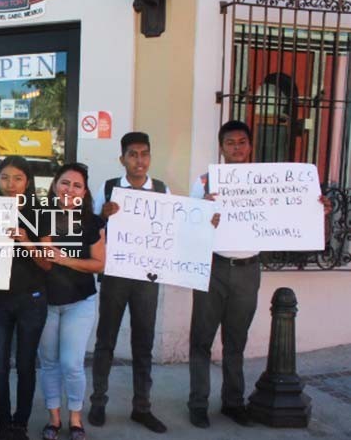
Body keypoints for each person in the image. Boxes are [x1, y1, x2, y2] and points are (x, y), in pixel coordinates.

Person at [187, 120, 331, 428]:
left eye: (241, 142)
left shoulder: (267, 181)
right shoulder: (204, 182)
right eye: (230, 142)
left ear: (249, 146)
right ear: (221, 147)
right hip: (212, 267)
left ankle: (232, 402)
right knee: (201, 339)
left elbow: (293, 211)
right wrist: (201, 209)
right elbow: (189, 226)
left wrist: (316, 208)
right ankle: (198, 403)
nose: (236, 147)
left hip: (248, 269)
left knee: (235, 341)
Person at [88, 132, 168, 433]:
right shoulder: (109, 188)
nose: (139, 160)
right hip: (115, 275)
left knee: (143, 342)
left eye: (144, 154)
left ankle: (142, 407)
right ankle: (98, 401)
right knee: (105, 340)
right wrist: (103, 215)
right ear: (122, 159)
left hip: (147, 277)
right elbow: (90, 226)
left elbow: (171, 230)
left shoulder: (161, 189)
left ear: (149, 157)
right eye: (132, 154)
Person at [38, 163, 106, 440]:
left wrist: (64, 259)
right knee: (49, 362)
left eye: (77, 185)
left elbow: (99, 264)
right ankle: (53, 419)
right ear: (55, 185)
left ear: (84, 192)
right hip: (45, 302)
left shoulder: (92, 222)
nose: (70, 189)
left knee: (72, 363)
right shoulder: (40, 216)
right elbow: (41, 259)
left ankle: (75, 418)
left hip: (80, 302)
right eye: (65, 183)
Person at [0, 156, 51, 440]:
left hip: (31, 300)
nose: (10, 184)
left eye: (17, 178)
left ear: (28, 182)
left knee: (25, 365)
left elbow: (47, 263)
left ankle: (20, 423)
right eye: (4, 178)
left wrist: (26, 241)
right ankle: (3, 423)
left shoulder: (41, 212)